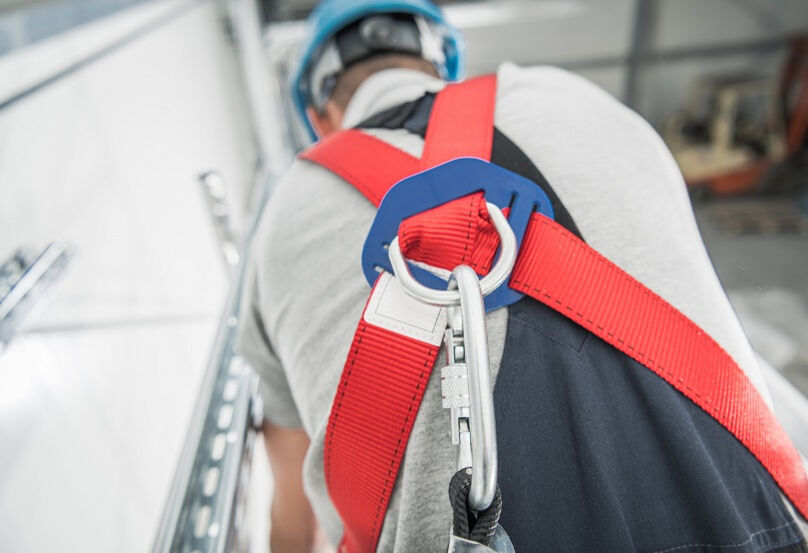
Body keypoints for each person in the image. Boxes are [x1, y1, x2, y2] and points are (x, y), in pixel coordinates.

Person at [238, 1, 808, 552]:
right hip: (767, 514)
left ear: (319, 116)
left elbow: (295, 519)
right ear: (443, 59)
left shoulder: (283, 217)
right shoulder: (579, 100)